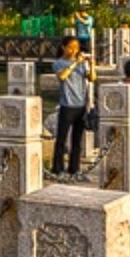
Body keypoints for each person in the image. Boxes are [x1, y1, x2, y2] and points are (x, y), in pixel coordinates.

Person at [51, 36, 93, 174]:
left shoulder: (81, 63)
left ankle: (74, 168)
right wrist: (75, 63)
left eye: (76, 47)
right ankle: (57, 168)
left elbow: (92, 78)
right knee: (62, 139)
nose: (74, 50)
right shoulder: (58, 63)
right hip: (67, 105)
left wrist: (91, 64)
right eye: (71, 47)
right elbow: (62, 77)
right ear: (63, 47)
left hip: (81, 105)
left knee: (77, 140)